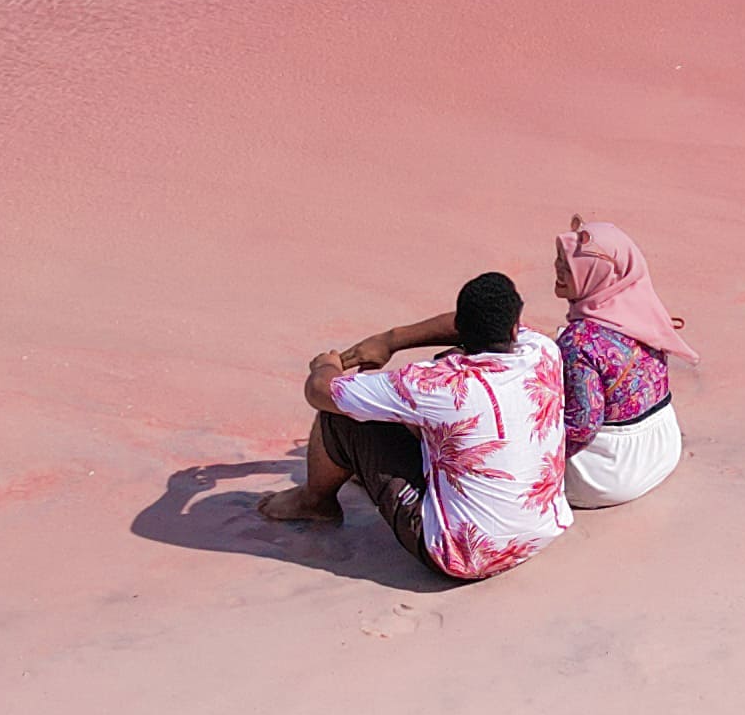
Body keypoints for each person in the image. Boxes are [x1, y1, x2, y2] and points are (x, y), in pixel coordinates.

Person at [263, 269, 568, 581]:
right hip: (539, 531)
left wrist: (325, 366)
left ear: (461, 327)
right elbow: (480, 326)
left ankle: (315, 501)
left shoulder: (436, 384)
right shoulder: (544, 351)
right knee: (440, 415)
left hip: (463, 557)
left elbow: (319, 392)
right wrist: (390, 340)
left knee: (340, 415)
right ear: (515, 327)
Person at [542, 214, 691, 507]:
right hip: (663, 448)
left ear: (596, 275)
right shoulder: (644, 311)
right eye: (560, 259)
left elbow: (582, 427)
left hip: (610, 474)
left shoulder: (578, 343)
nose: (558, 268)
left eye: (569, 266)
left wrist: (536, 457)